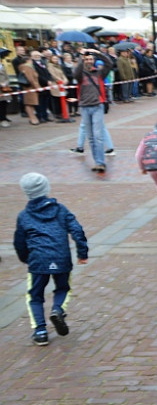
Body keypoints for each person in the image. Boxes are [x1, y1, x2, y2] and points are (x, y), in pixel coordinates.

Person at [14, 173, 89, 347]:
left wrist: (26, 258)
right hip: (61, 258)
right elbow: (77, 230)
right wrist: (82, 253)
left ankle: (40, 331)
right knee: (63, 288)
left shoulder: (24, 216)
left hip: (38, 260)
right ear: (46, 189)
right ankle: (58, 309)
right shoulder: (61, 210)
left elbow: (19, 241)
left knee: (34, 295)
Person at [73, 49, 114, 172]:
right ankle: (97, 162)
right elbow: (76, 72)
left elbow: (109, 63)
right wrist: (81, 57)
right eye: (87, 59)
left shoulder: (99, 73)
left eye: (91, 59)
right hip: (84, 106)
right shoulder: (80, 74)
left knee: (98, 136)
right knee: (90, 137)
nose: (89, 61)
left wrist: (96, 53)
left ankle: (100, 162)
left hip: (97, 106)